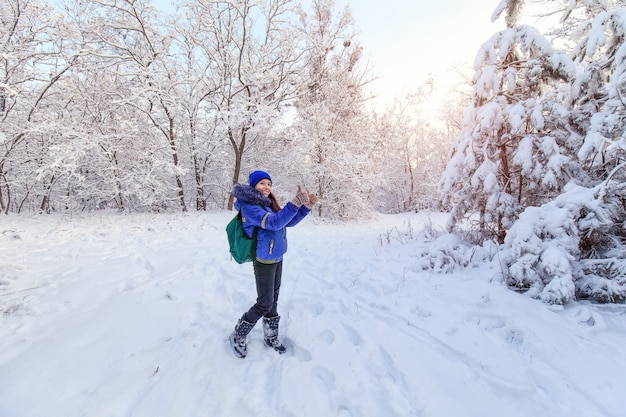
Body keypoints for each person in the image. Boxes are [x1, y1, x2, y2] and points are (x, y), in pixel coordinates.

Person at [228, 170, 318, 358]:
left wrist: (305, 208)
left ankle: (270, 336)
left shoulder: (267, 205)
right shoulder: (250, 207)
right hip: (264, 260)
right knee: (264, 303)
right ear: (253, 186)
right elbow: (274, 223)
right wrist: (294, 203)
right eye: (262, 183)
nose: (267, 187)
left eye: (269, 183)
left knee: (273, 298)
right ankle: (238, 333)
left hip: (277, 256)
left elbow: (286, 223)